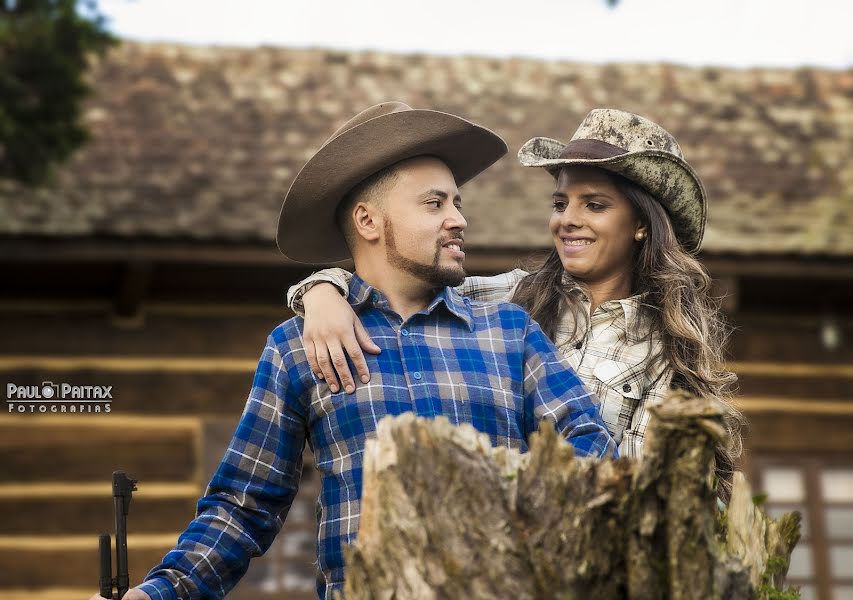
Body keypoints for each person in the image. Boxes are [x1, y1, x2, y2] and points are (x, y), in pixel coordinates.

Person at [92, 102, 615, 600]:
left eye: (457, 202)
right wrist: (159, 592)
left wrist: (510, 519)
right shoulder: (296, 348)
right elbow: (243, 506)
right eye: (434, 203)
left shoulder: (509, 331)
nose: (458, 219)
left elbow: (592, 445)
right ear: (368, 222)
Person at [287, 108, 744, 501]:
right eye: (561, 202)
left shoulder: (669, 351)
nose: (568, 219)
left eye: (595, 205)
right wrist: (321, 291)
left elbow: (662, 490)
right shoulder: (510, 297)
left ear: (641, 224)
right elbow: (395, 287)